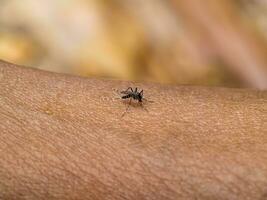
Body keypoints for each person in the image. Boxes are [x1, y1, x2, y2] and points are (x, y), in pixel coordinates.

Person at [0, 60, 266, 199]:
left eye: (135, 98)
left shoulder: (137, 96)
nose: (137, 98)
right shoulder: (132, 97)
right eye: (135, 98)